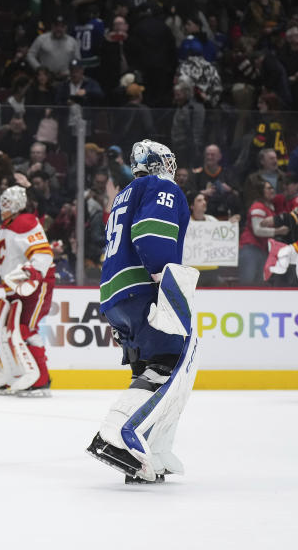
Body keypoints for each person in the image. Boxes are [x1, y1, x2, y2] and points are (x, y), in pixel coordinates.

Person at [87, 140, 198, 484]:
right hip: (142, 288)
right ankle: (117, 436)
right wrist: (164, 274)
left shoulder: (124, 194)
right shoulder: (161, 186)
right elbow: (151, 233)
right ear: (156, 163)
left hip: (115, 292)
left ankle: (149, 451)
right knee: (166, 364)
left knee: (149, 369)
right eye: (166, 159)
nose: (171, 165)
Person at [0, 185, 54, 395]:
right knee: (5, 331)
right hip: (16, 286)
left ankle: (41, 379)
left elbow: (43, 254)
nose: (1, 206)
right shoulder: (6, 226)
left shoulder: (25, 221)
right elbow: (9, 256)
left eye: (5, 202)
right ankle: (15, 374)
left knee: (25, 329)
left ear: (16, 204)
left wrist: (33, 271)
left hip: (35, 285)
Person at [239, 180, 278, 285]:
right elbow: (258, 230)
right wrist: (278, 231)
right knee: (248, 283)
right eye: (268, 188)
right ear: (261, 191)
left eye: (272, 188)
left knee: (259, 284)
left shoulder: (269, 207)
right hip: (250, 250)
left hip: (261, 250)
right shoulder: (258, 207)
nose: (272, 190)